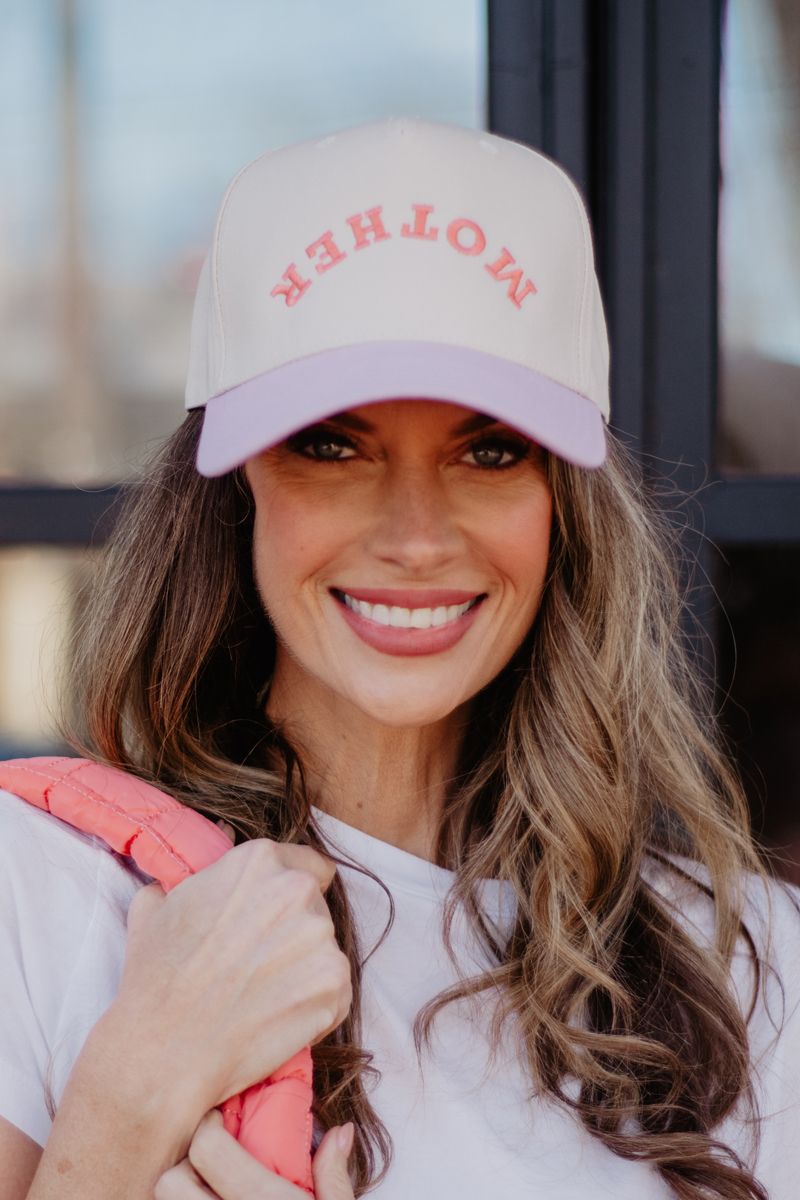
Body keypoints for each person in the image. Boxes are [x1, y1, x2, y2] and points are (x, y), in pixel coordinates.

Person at [1, 115, 798, 1200]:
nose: (416, 537)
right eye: (331, 446)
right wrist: (129, 1097)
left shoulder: (746, 958)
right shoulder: (37, 892)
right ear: (231, 494)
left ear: (564, 507)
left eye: (488, 450)